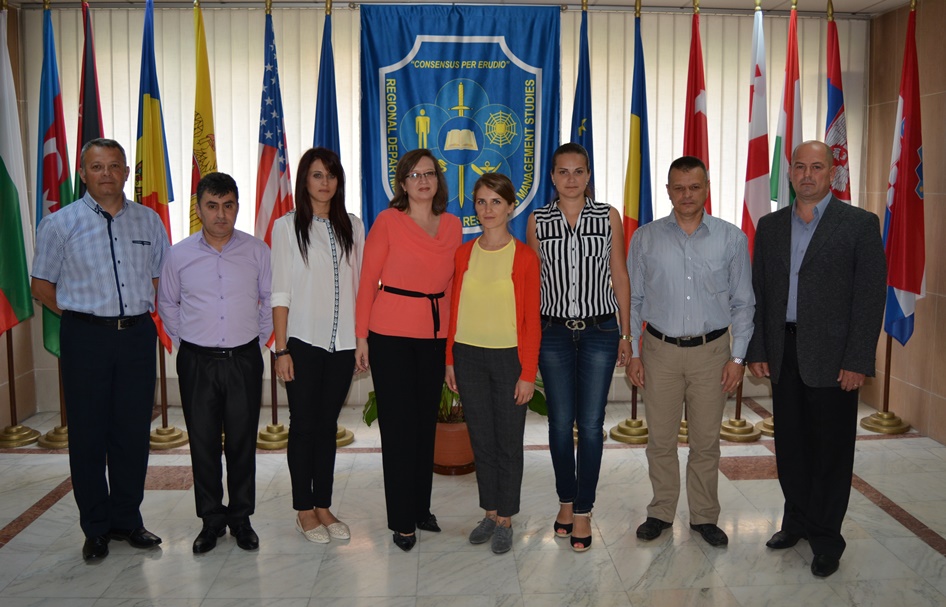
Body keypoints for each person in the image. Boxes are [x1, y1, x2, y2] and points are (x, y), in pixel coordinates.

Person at [747, 140, 886, 578]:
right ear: (789, 173)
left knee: (830, 450)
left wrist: (858, 359)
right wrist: (758, 349)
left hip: (834, 357)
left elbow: (869, 298)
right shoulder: (770, 226)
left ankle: (826, 538)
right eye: (800, 167)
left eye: (817, 167)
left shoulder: (859, 224)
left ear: (832, 173)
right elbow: (760, 292)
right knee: (791, 445)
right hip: (783, 351)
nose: (807, 175)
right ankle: (797, 522)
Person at [31, 138, 169, 561]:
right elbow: (41, 285)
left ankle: (127, 520)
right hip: (86, 338)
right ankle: (95, 527)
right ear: (84, 173)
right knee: (88, 434)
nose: (106, 174)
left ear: (126, 172)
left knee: (132, 432)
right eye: (97, 166)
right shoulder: (59, 224)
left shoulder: (149, 221)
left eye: (114, 166)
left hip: (137, 337)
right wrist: (82, 313)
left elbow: (160, 278)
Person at [625, 156, 754, 548]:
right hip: (659, 352)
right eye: (678, 188)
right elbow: (633, 300)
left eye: (694, 187)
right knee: (660, 441)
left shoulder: (731, 239)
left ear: (706, 189)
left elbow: (743, 304)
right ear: (668, 191)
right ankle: (661, 511)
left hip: (711, 354)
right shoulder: (645, 238)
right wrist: (633, 351)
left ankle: (704, 517)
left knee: (706, 443)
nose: (686, 195)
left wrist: (737, 358)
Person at [158, 172, 272, 553]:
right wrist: (188, 340)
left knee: (242, 443)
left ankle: (241, 519)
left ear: (237, 207)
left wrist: (255, 341)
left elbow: (270, 301)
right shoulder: (179, 254)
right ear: (199, 209)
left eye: (228, 206)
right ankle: (211, 520)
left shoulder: (257, 251)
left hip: (243, 360)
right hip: (197, 362)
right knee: (203, 443)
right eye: (212, 206)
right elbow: (167, 303)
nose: (221, 214)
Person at [355, 149, 462, 552]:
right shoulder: (388, 221)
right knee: (399, 430)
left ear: (438, 180)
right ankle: (402, 520)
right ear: (402, 183)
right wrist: (361, 337)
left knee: (423, 427)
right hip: (390, 336)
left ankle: (420, 508)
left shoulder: (452, 225)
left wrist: (450, 350)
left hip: (434, 336)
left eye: (429, 174)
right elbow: (368, 280)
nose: (423, 181)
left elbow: (452, 290)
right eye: (414, 175)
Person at [526, 142, 631, 552]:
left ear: (589, 175)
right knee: (558, 423)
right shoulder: (538, 220)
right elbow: (532, 284)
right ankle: (565, 503)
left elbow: (619, 273)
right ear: (552, 177)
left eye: (579, 171)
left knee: (589, 424)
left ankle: (584, 509)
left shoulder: (608, 216)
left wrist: (626, 334)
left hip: (599, 331)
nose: (571, 179)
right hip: (552, 333)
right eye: (563, 171)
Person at [444, 173, 541, 555]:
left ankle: (506, 519)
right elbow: (454, 311)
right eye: (481, 202)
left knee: (508, 443)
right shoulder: (463, 254)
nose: (488, 209)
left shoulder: (525, 257)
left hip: (508, 360)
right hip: (468, 356)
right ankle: (488, 513)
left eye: (496, 202)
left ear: (511, 207)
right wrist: (450, 360)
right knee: (481, 440)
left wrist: (528, 373)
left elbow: (532, 321)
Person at [271, 148, 364, 544]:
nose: (325, 183)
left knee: (327, 427)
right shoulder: (286, 226)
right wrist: (281, 350)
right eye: (317, 175)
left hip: (343, 344)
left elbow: (361, 287)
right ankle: (304, 509)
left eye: (331, 175)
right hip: (303, 342)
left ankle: (323, 505)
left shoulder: (354, 226)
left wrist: (361, 340)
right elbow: (280, 291)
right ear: (304, 181)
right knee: (304, 425)